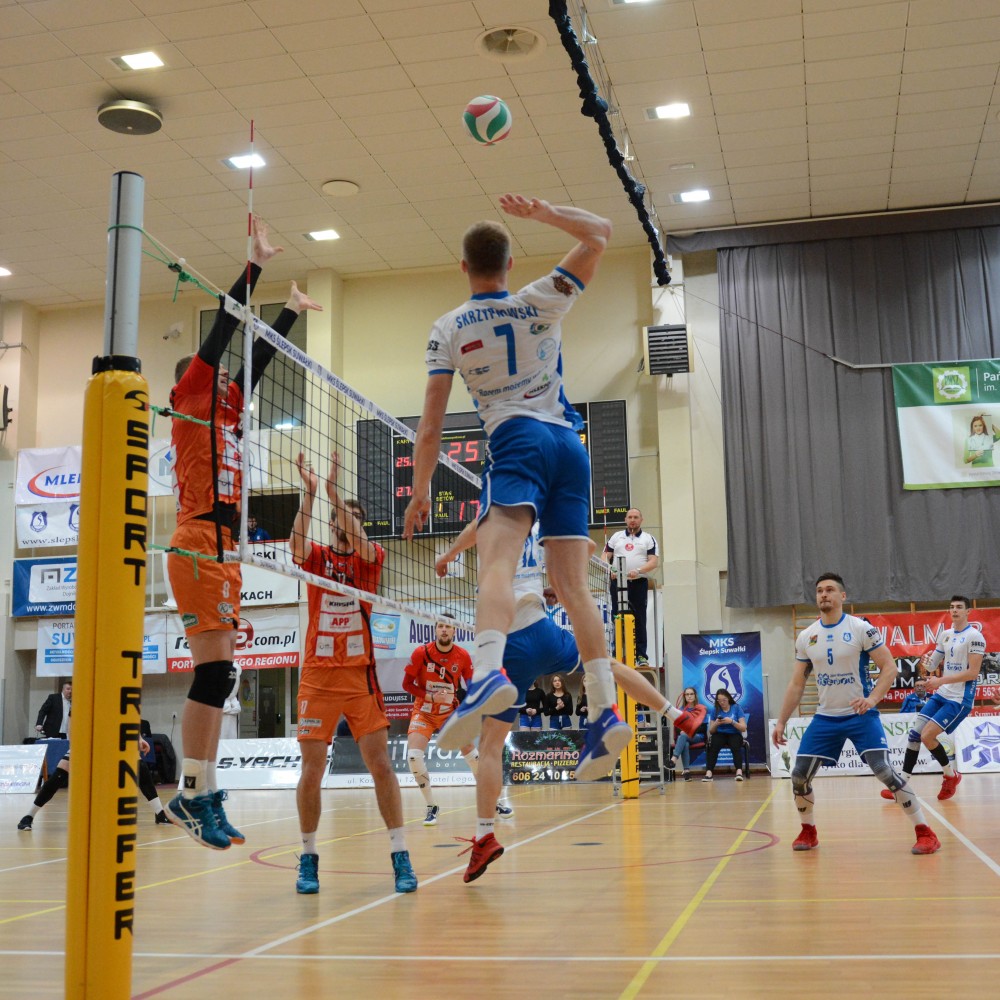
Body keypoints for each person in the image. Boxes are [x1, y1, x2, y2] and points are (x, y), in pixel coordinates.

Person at [403, 193, 631, 790]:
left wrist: (421, 490)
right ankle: (604, 710)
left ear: (463, 266)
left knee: (497, 565)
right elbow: (601, 230)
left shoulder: (448, 327)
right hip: (570, 445)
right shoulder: (538, 300)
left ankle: (485, 674)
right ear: (508, 262)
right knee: (574, 587)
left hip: (516, 439)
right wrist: (547, 214)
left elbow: (430, 426)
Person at [165, 218, 322, 851]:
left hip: (225, 549)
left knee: (223, 677)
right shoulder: (189, 397)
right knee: (212, 677)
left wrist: (289, 313)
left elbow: (255, 364)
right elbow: (226, 329)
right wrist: (253, 267)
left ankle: (204, 792)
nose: (229, 379)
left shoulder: (227, 410)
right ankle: (189, 793)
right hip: (197, 543)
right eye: (219, 374)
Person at [435, 519, 700, 882]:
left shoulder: (495, 513)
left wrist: (448, 555)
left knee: (491, 746)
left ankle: (484, 835)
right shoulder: (541, 525)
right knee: (608, 665)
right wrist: (552, 582)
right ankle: (675, 713)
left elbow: (472, 530)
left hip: (507, 643)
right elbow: (587, 549)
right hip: (543, 632)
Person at [290, 451, 417, 896]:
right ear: (331, 525)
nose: (349, 523)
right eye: (343, 517)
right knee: (311, 769)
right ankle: (308, 858)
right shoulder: (317, 558)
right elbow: (296, 545)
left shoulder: (370, 558)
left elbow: (361, 541)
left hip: (360, 678)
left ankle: (400, 854)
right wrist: (311, 494)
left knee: (381, 764)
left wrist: (333, 494)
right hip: (318, 677)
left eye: (356, 518)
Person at [773, 572, 941, 855]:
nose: (823, 594)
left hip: (860, 715)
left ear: (842, 596)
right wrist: (781, 721)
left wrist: (872, 699)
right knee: (799, 775)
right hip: (826, 717)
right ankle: (808, 831)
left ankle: (925, 832)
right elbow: (797, 684)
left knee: (884, 771)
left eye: (829, 590)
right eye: (819, 591)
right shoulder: (806, 636)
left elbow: (889, 668)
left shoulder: (861, 629)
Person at [880, 595, 982, 803]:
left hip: (959, 698)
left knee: (927, 736)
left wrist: (940, 680)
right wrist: (926, 663)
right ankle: (902, 786)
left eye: (959, 607)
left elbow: (972, 673)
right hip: (943, 692)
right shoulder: (945, 634)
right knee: (914, 734)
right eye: (952, 607)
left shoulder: (975, 636)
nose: (954, 610)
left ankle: (950, 776)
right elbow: (932, 665)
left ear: (968, 611)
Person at [402, 618, 480, 826]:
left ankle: (493, 801)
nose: (444, 630)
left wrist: (470, 706)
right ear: (435, 630)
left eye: (448, 626)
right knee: (413, 756)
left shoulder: (463, 655)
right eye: (440, 626)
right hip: (424, 712)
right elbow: (406, 684)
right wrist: (431, 697)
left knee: (473, 755)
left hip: (449, 713)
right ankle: (431, 806)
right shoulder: (421, 653)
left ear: (455, 631)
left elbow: (471, 686)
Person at [18, 735, 169, 830]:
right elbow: (73, 722)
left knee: (140, 767)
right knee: (58, 776)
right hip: (86, 739)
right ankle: (29, 816)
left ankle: (159, 813)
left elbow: (129, 715)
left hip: (112, 738)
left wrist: (139, 738)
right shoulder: (86, 696)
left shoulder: (115, 696)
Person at [602, 509, 659, 666]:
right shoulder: (616, 537)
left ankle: (641, 656)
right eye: (630, 517)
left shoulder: (648, 539)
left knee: (639, 619)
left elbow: (653, 561)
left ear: (641, 520)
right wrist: (610, 569)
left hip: (638, 583)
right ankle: (617, 654)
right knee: (617, 617)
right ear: (625, 519)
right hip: (618, 583)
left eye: (636, 517)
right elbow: (605, 556)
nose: (633, 520)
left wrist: (638, 571)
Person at [702, 688, 746, 781]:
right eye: (719, 700)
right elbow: (711, 731)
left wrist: (732, 722)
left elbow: (743, 728)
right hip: (720, 733)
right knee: (713, 746)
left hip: (734, 733)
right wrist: (716, 723)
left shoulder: (736, 707)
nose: (722, 702)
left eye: (724, 700)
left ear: (728, 698)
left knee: (735, 746)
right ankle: (709, 772)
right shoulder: (715, 709)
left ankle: (739, 772)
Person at [671, 686, 706, 780]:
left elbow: (703, 727)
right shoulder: (680, 710)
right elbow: (677, 727)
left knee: (683, 735)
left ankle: (674, 758)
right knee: (685, 743)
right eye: (687, 694)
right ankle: (686, 771)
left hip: (698, 736)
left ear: (695, 695)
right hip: (684, 736)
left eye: (691, 694)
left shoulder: (701, 709)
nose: (689, 696)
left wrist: (688, 730)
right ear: (684, 696)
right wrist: (684, 731)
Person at [220, 663, 242, 742]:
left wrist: (227, 709)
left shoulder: (233, 698)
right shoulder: (217, 698)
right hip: (220, 729)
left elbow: (238, 709)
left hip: (231, 729)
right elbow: (219, 709)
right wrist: (229, 708)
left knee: (231, 742)